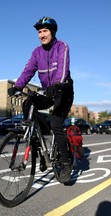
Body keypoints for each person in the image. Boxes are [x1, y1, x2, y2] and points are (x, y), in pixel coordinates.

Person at [8, 16, 74, 183]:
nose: (41, 35)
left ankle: (66, 163)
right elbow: (28, 70)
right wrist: (17, 86)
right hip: (48, 91)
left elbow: (63, 67)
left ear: (52, 32)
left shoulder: (62, 46)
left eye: (44, 31)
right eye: (39, 32)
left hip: (63, 91)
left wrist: (58, 83)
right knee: (27, 102)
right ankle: (36, 140)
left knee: (56, 124)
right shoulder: (37, 52)